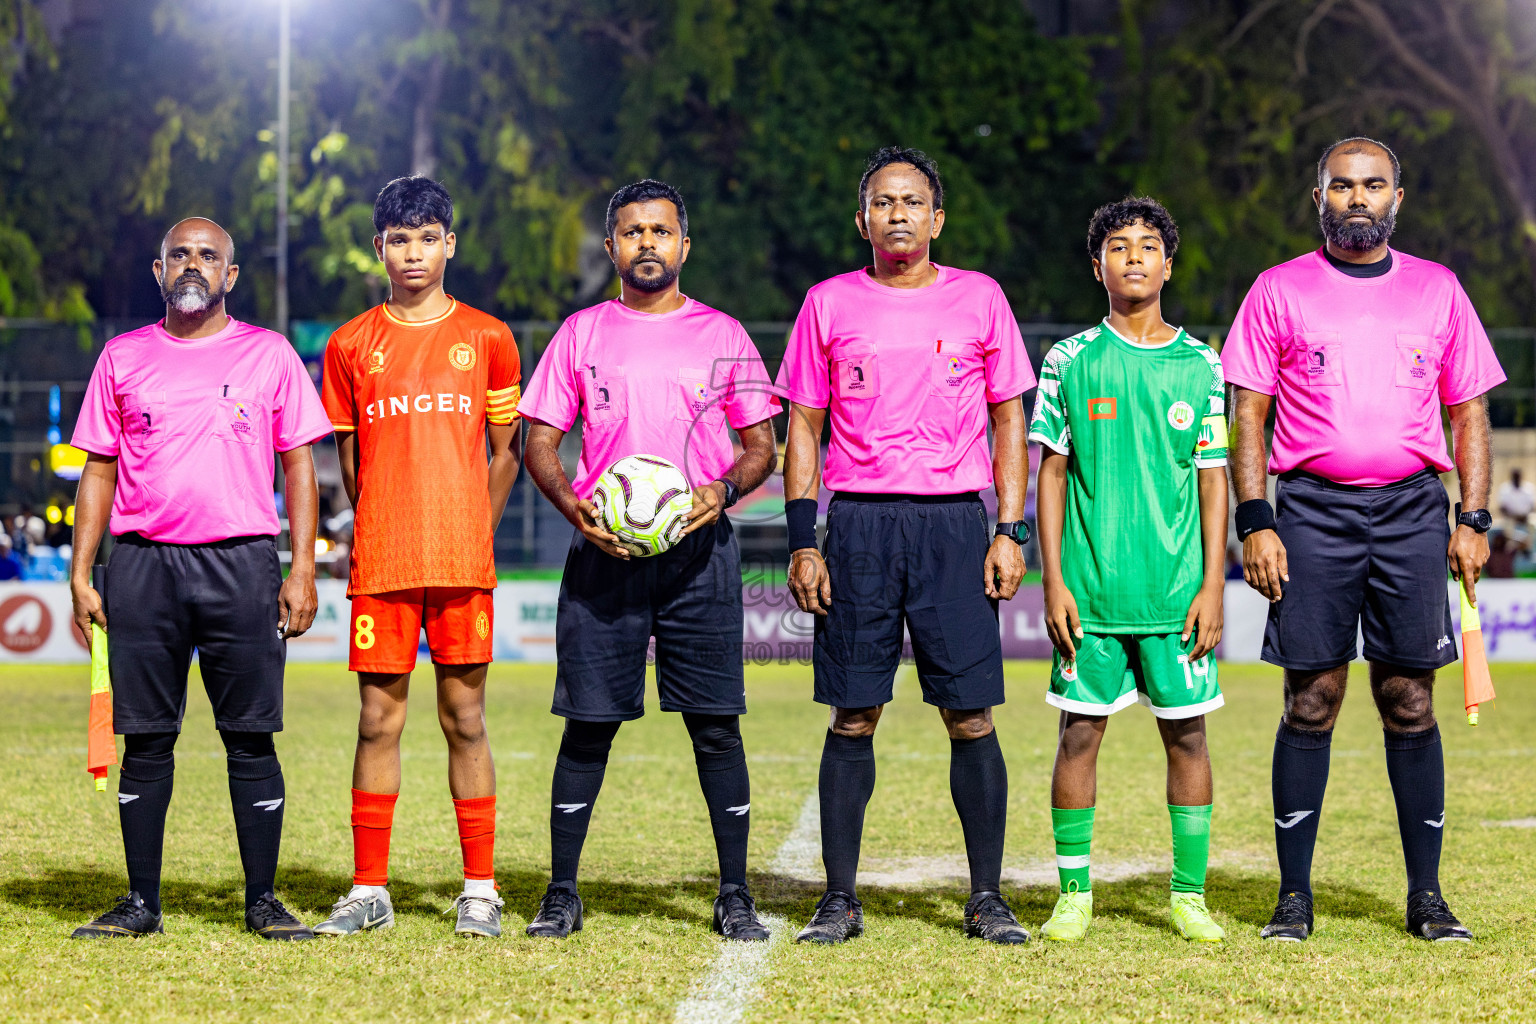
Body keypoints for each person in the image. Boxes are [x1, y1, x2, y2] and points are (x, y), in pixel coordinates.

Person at [1226, 137, 1504, 943]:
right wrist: (1257, 518)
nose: (1357, 197)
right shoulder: (1279, 290)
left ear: (1397, 199)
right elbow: (1247, 412)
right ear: (1318, 197)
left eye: (1372, 185)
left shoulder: (1439, 290)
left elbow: (1468, 414)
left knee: (1408, 699)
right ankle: (1293, 898)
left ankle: (1427, 897)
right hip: (1310, 511)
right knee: (1311, 699)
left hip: (1415, 510)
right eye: (1342, 185)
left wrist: (1472, 517)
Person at [777, 147, 1035, 945]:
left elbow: (1007, 419)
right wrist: (802, 539)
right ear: (863, 220)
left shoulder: (980, 298)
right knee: (854, 715)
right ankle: (840, 898)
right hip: (857, 526)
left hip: (956, 525)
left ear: (936, 219)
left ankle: (987, 897)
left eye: (913, 202)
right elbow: (805, 425)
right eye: (884, 202)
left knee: (971, 717)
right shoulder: (828, 303)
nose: (898, 214)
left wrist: (1008, 528)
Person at [518, 180, 780, 941]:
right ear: (612, 248)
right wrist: (577, 511)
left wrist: (722, 489)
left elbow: (762, 446)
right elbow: (539, 441)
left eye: (661, 231)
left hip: (701, 556)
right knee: (588, 725)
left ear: (684, 245)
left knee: (715, 726)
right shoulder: (580, 334)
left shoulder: (723, 333)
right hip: (604, 555)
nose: (647, 244)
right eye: (632, 232)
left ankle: (734, 892)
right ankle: (562, 891)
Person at [67, 217, 332, 940]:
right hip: (144, 566)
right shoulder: (122, 357)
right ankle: (140, 904)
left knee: (250, 737)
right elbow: (98, 466)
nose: (193, 264)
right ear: (158, 270)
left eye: (208, 255)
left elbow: (299, 463)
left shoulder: (269, 354)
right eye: (179, 254)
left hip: (242, 563)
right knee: (146, 738)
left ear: (230, 276)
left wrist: (301, 567)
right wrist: (80, 568)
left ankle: (263, 903)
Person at [312, 176, 522, 939]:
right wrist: (380, 523)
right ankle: (370, 889)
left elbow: (507, 452)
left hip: (462, 562)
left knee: (466, 719)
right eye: (400, 239)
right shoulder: (348, 345)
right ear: (380, 249)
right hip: (386, 561)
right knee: (377, 721)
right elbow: (350, 458)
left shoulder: (490, 338)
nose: (414, 252)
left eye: (428, 237)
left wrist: (476, 526)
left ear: (450, 244)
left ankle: (480, 889)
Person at [1030, 197, 1228, 944]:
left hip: (1177, 597)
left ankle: (1188, 896)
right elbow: (1050, 474)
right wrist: (1054, 580)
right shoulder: (1070, 361)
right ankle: (1074, 894)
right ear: (1098, 266)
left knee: (1188, 741)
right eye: (1119, 246)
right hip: (1093, 596)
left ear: (1168, 266)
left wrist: (1213, 584)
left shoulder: (1201, 364)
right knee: (1078, 737)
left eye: (1149, 246)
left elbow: (1212, 477)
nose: (1135, 257)